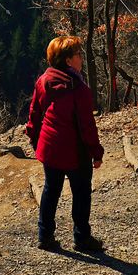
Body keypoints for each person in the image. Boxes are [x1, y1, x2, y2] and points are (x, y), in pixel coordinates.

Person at [25, 35, 104, 253]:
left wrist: (35, 141)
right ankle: (82, 239)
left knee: (51, 190)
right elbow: (87, 126)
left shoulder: (43, 81)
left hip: (50, 148)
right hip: (75, 152)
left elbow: (34, 114)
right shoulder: (78, 89)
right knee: (81, 193)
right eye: (78, 54)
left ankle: (45, 236)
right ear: (68, 61)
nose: (81, 58)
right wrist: (96, 153)